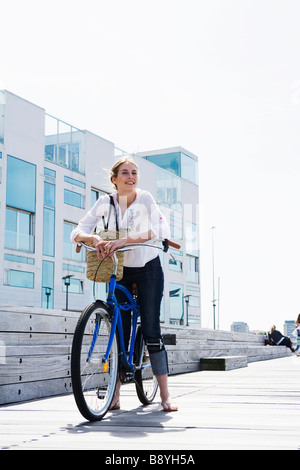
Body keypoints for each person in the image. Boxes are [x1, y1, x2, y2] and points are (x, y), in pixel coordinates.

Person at [71, 156, 178, 412]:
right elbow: (78, 231)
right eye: (125, 173)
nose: (131, 177)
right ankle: (115, 395)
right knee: (121, 331)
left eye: (134, 173)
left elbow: (159, 230)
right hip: (120, 270)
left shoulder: (145, 199)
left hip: (148, 265)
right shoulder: (104, 202)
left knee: (151, 328)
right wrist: (93, 236)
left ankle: (165, 395)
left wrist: (123, 241)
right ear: (115, 179)